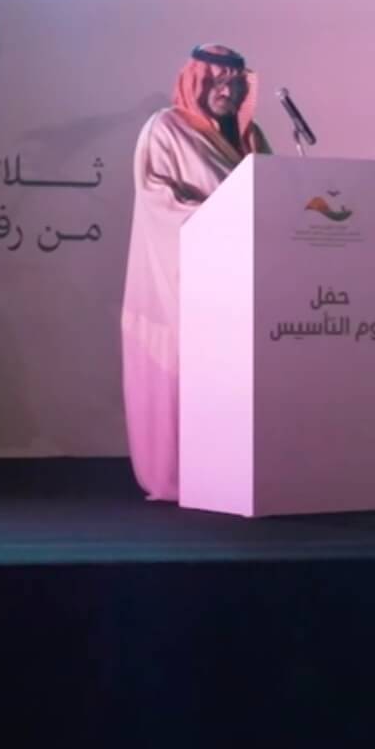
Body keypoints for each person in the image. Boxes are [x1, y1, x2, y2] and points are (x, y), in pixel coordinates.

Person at [120, 44, 271, 501]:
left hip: (244, 280)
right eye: (217, 83)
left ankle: (237, 472)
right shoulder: (165, 129)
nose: (227, 92)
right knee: (187, 375)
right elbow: (160, 200)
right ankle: (182, 475)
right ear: (196, 83)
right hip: (184, 280)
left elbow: (275, 193)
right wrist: (226, 216)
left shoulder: (250, 138)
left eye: (235, 85)